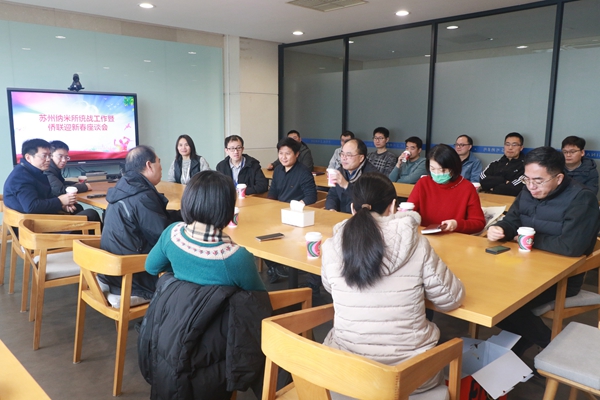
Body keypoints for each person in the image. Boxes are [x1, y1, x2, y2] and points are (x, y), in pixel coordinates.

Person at [321, 172, 465, 396]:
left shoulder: (332, 245)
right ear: (393, 206)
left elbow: (330, 287)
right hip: (409, 376)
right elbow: (451, 299)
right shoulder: (416, 243)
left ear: (352, 208)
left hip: (349, 371)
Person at [487, 146, 600, 357]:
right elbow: (513, 220)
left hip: (562, 278)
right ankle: (529, 342)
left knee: (506, 304)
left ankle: (552, 349)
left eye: (538, 181)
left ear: (559, 178)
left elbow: (571, 246)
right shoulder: (527, 191)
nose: (531, 186)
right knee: (488, 295)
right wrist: (501, 228)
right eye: (527, 179)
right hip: (522, 269)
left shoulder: (582, 199)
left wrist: (526, 240)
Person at [146, 170, 265, 290]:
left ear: (188, 199)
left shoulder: (172, 234)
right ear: (228, 208)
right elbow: (259, 297)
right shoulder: (237, 257)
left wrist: (185, 272)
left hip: (178, 300)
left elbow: (151, 267)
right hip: (221, 303)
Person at [99, 145, 181, 300]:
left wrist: (182, 215)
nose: (161, 167)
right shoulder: (142, 196)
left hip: (112, 271)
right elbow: (163, 238)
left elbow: (152, 219)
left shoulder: (125, 187)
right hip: (133, 277)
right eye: (159, 162)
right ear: (149, 165)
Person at [3, 138, 100, 222]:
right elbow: (31, 207)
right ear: (28, 157)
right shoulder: (21, 178)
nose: (48, 159)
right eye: (44, 156)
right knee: (91, 214)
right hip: (35, 228)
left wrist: (61, 205)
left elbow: (42, 197)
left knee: (77, 208)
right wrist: (60, 201)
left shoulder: (29, 171)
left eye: (49, 155)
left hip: (38, 219)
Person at [266, 137, 317, 283]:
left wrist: (297, 205)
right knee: (259, 233)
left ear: (297, 154)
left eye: (287, 153)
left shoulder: (303, 172)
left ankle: (281, 267)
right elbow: (273, 192)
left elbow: (311, 196)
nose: (283, 157)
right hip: (278, 213)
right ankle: (275, 267)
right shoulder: (278, 170)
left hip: (296, 216)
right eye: (281, 153)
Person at [407, 144, 485, 234]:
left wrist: (457, 224)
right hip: (424, 236)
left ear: (454, 168)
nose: (436, 173)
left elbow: (478, 223)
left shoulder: (467, 188)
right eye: (432, 169)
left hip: (453, 238)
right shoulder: (423, 183)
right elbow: (409, 211)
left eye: (442, 170)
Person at [325, 138, 378, 214]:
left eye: (349, 155)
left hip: (362, 218)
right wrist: (331, 209)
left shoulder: (372, 175)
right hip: (341, 216)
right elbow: (332, 195)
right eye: (342, 154)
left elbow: (365, 202)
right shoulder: (340, 171)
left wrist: (346, 185)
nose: (344, 158)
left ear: (361, 158)